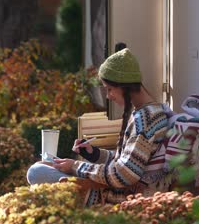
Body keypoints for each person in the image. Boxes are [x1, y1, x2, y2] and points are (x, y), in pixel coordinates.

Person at [27, 48, 170, 205]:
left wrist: (76, 166)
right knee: (43, 165)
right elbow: (129, 162)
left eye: (110, 89)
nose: (108, 96)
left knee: (36, 172)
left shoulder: (145, 119)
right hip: (112, 188)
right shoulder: (149, 112)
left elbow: (123, 174)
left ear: (124, 86)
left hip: (115, 198)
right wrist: (95, 154)